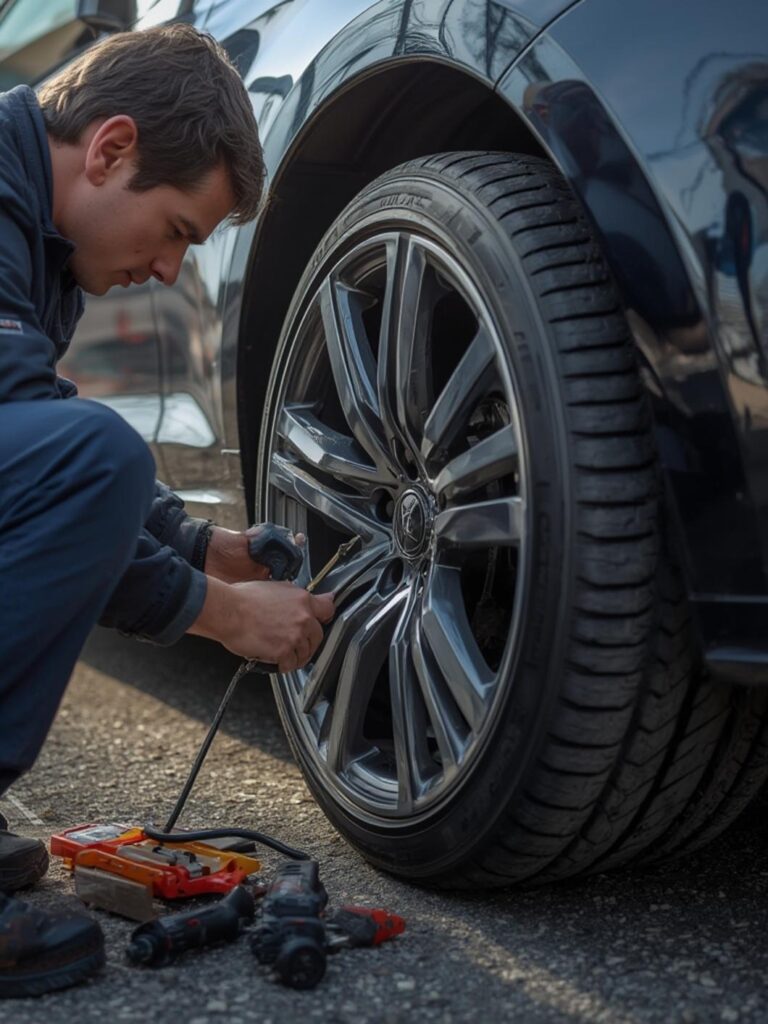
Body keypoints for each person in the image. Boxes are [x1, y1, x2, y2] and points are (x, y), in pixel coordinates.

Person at [0, 23, 334, 996]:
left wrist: (199, 543)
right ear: (110, 149)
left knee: (87, 449)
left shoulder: (32, 227)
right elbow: (63, 466)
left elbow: (30, 432)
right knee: (94, 453)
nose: (171, 273)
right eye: (181, 232)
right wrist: (225, 615)